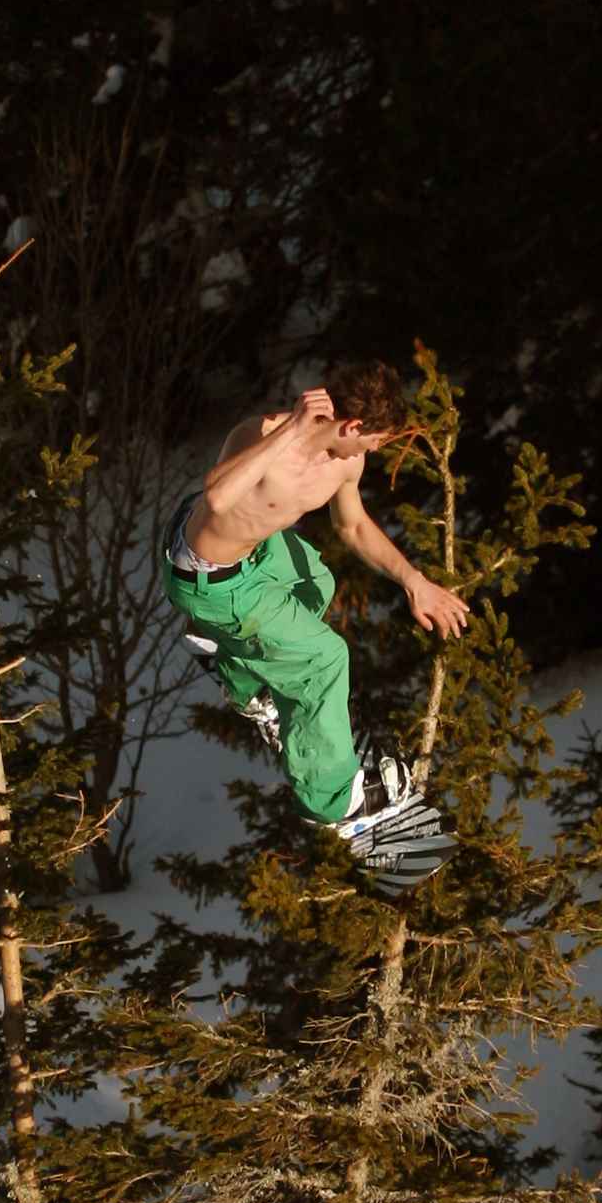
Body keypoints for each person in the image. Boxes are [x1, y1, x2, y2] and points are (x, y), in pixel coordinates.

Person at [161, 362, 469, 887]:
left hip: (256, 556)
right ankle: (333, 803)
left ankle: (246, 678)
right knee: (325, 658)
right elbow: (216, 495)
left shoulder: (345, 463)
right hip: (210, 581)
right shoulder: (262, 435)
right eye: (373, 441)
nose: (375, 451)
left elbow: (353, 525)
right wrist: (290, 431)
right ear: (352, 426)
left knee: (316, 584)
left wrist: (414, 581)